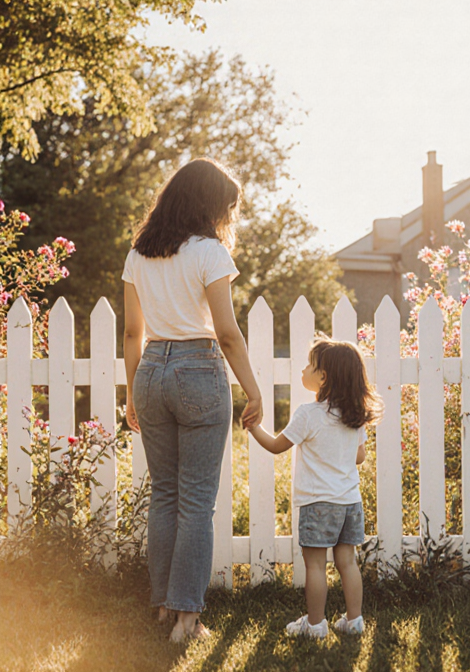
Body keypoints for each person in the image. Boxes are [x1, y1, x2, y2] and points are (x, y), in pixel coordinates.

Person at [123, 158, 263, 643]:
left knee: (164, 494)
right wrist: (253, 389)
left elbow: (132, 333)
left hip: (151, 371)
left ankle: (163, 609)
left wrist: (133, 393)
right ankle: (187, 620)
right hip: (198, 370)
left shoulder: (139, 254)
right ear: (208, 204)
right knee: (197, 502)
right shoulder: (209, 252)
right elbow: (227, 334)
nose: (228, 215)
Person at [246, 336, 381, 638]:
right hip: (350, 502)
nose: (303, 369)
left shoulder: (308, 414)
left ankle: (316, 624)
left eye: (310, 365)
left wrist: (253, 427)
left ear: (323, 377)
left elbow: (276, 446)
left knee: (316, 566)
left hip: (318, 502)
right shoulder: (355, 416)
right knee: (348, 562)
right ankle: (354, 620)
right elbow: (359, 457)